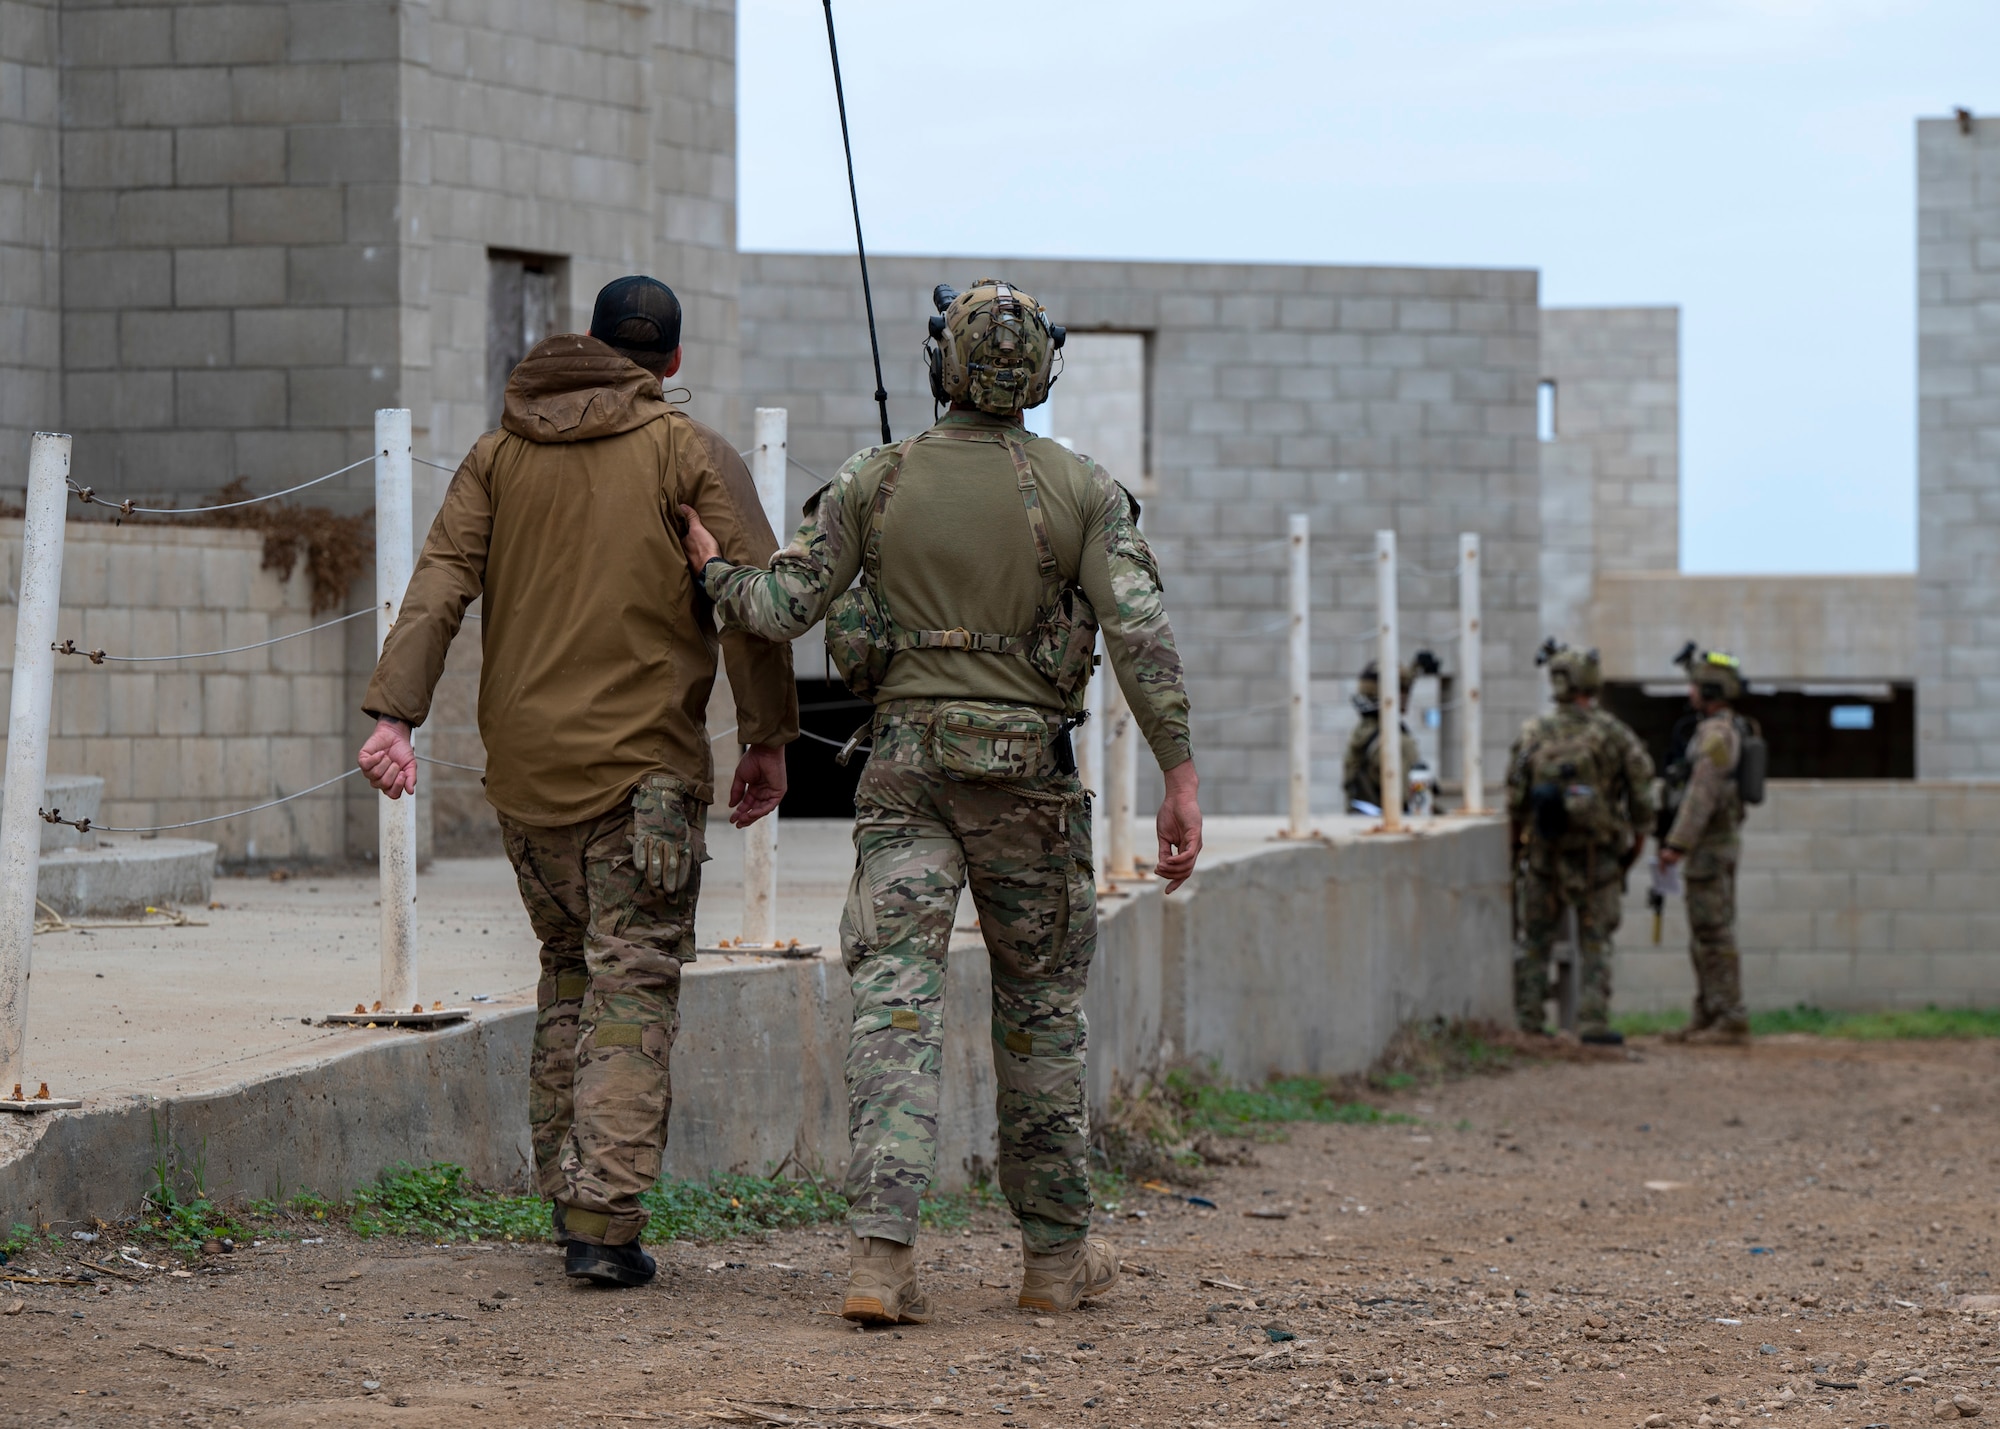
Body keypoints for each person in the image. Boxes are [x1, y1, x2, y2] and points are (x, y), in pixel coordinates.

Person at [682, 277, 1200, 1323]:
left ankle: (881, 1260)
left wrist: (713, 568)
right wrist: (1177, 774)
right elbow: (1140, 636)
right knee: (1040, 1010)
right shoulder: (1084, 489)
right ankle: (1053, 1260)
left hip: (905, 773)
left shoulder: (875, 477)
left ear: (944, 367)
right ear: (1039, 375)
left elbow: (781, 606)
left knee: (895, 1005)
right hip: (1028, 782)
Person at [355, 276, 799, 1287]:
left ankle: (570, 1197)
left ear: (590, 343)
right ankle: (603, 1223)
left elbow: (438, 584)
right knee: (630, 983)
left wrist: (395, 717)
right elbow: (755, 600)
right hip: (644, 780)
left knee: (568, 974)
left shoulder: (497, 454)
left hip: (525, 782)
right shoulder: (688, 452)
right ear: (671, 362)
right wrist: (767, 738)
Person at [1506, 644, 1654, 1044]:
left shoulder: (1532, 733)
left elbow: (1515, 799)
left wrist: (1516, 852)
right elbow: (1642, 796)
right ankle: (1592, 1023)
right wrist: (1633, 847)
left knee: (1535, 941)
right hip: (1597, 857)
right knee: (1596, 942)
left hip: (1543, 856)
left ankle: (1529, 1023)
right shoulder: (1614, 733)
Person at [1659, 646, 1756, 1045]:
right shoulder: (1724, 729)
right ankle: (1708, 1011)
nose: (1690, 693)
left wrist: (1677, 843)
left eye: (1696, 686)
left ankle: (1730, 1016)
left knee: (1714, 933)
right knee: (1704, 932)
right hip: (1713, 846)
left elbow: (1702, 793)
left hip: (1710, 848)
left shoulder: (1717, 735)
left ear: (1711, 691)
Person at [1342, 654, 1432, 814]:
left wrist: (1416, 668)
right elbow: (1412, 800)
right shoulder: (1396, 741)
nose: (1407, 696)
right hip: (1391, 820)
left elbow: (1384, 682)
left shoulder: (1364, 731)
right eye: (1402, 690)